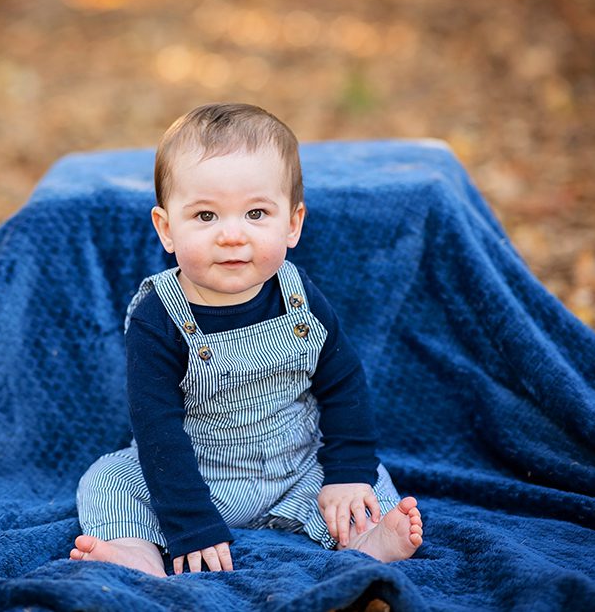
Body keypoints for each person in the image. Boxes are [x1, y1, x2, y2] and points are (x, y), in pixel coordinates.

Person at [70, 103, 423, 577]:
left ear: (292, 224)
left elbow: (343, 383)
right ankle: (137, 549)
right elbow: (156, 427)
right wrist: (190, 521)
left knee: (366, 478)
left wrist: (346, 474)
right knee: (108, 480)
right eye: (206, 215)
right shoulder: (158, 317)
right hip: (195, 475)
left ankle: (362, 538)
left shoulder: (299, 297)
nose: (232, 235)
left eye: (256, 213)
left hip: (297, 468)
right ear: (167, 228)